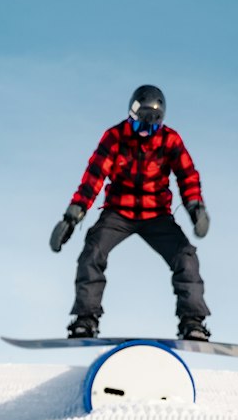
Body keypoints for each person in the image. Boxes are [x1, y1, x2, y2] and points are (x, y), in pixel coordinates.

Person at [49, 85, 211, 340]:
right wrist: (72, 216)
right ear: (131, 115)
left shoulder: (170, 140)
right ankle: (85, 319)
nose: (145, 132)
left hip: (156, 214)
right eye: (140, 125)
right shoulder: (115, 137)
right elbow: (94, 176)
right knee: (93, 250)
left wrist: (195, 206)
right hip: (118, 213)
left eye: (152, 126)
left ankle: (192, 321)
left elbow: (186, 174)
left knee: (186, 256)